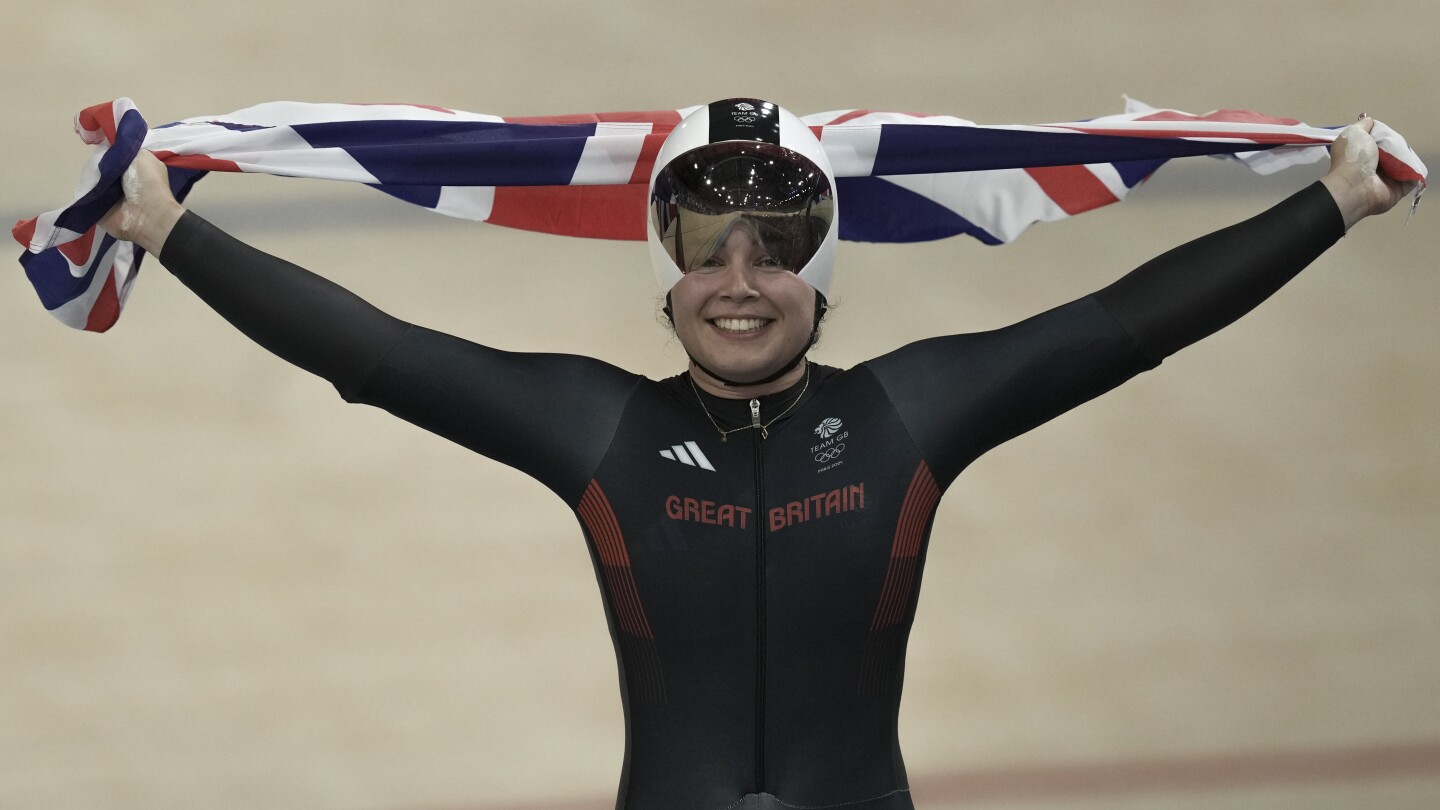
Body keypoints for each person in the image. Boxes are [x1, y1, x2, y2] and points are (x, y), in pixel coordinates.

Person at [100, 98, 1412, 810]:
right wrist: (171, 231)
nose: (740, 280)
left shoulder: (914, 410)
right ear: (662, 279)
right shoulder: (600, 428)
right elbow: (375, 352)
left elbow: (1128, 325)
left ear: (821, 276)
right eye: (706, 249)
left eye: (776, 248)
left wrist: (1334, 202)